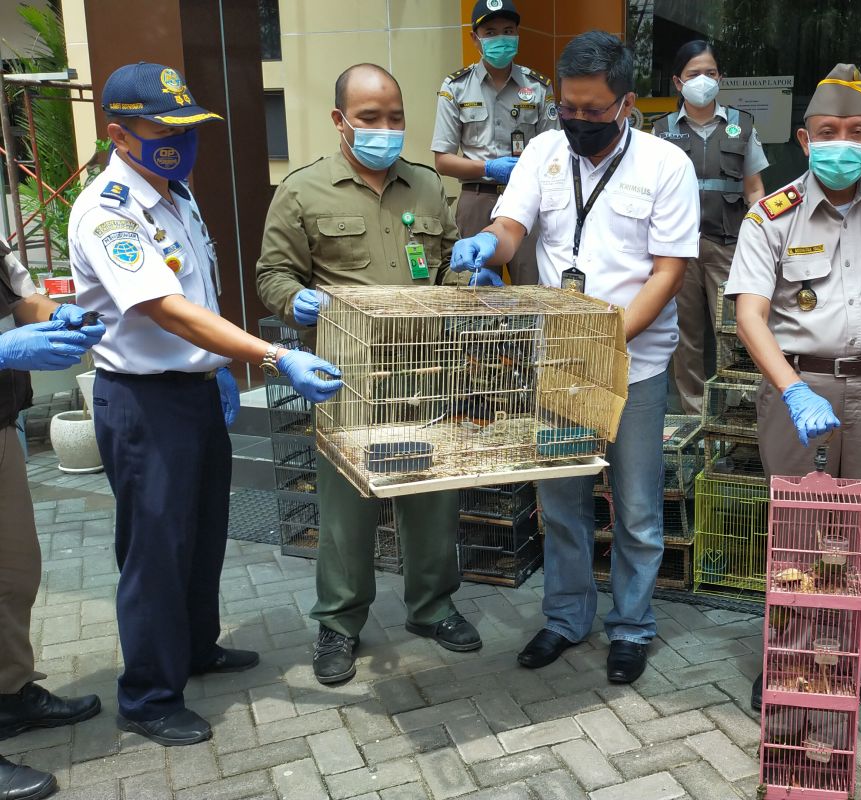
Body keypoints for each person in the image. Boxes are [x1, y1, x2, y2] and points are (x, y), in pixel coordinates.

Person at [68, 62, 343, 747]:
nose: (181, 141)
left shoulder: (177, 195)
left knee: (202, 534)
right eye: (165, 130)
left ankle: (196, 648)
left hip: (194, 391)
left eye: (189, 128)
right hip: (142, 401)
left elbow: (202, 297)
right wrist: (272, 356)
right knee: (155, 549)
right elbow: (164, 308)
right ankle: (149, 695)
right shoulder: (109, 211)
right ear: (118, 134)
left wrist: (220, 366)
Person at [451, 31, 700, 684]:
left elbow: (668, 272)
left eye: (594, 111)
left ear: (624, 105)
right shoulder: (542, 151)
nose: (579, 122)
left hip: (634, 366)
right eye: (569, 108)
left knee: (638, 508)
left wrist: (608, 338)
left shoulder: (665, 166)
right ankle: (564, 619)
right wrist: (486, 244)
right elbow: (512, 228)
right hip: (556, 363)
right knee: (561, 503)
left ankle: (632, 626)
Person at [726, 64, 861, 727]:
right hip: (803, 386)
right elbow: (749, 316)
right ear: (805, 137)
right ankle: (787, 656)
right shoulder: (772, 216)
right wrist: (791, 390)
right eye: (827, 132)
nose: (840, 143)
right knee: (798, 533)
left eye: (855, 132)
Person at [257, 63, 478, 686]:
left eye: (395, 118)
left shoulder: (430, 189)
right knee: (347, 507)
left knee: (432, 492)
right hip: (345, 374)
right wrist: (291, 301)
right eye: (370, 119)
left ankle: (432, 607)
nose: (386, 130)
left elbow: (442, 272)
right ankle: (339, 623)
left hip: (426, 369)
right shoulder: (302, 192)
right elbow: (273, 274)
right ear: (340, 121)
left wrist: (467, 278)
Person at [0, 246, 105, 799]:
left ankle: (10, 695)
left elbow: (23, 298)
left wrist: (52, 315)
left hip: (0, 425)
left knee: (15, 576)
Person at [652, 40, 768, 414]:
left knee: (733, 331)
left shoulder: (742, 126)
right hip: (678, 251)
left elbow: (754, 189)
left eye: (711, 73)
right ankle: (694, 416)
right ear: (677, 81)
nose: (703, 80)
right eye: (693, 74)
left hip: (729, 245)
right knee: (685, 335)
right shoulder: (660, 131)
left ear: (721, 77)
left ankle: (737, 413)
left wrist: (758, 242)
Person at [431, 0, 555, 286]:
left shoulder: (538, 87)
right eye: (490, 32)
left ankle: (534, 334)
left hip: (528, 201)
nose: (501, 38)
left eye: (508, 30)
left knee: (533, 286)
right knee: (476, 287)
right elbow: (442, 161)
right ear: (475, 39)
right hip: (477, 196)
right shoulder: (456, 87)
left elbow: (554, 153)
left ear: (517, 35)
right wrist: (488, 166)